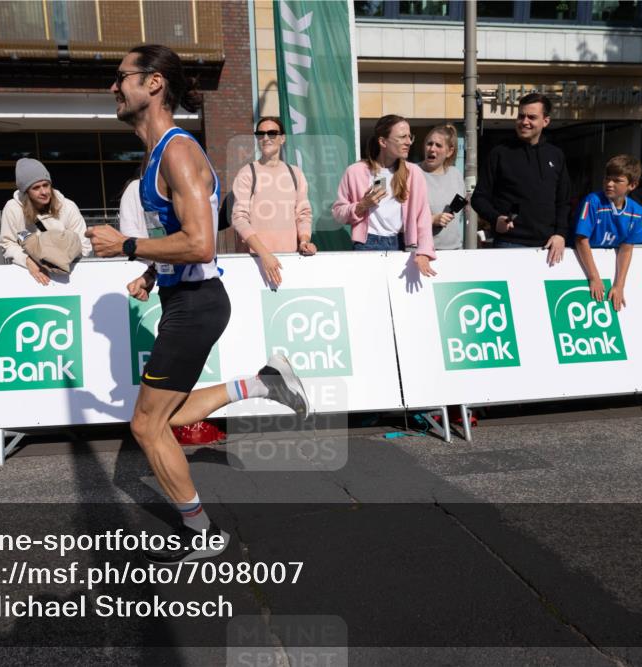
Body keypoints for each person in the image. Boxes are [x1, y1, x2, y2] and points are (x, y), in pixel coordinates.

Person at [86, 44, 312, 564]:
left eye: (121, 77)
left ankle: (204, 533)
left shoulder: (177, 151)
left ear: (154, 83)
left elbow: (201, 244)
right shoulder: (157, 153)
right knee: (166, 414)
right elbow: (180, 237)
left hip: (197, 304)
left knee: (146, 425)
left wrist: (125, 246)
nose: (113, 88)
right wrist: (149, 270)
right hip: (185, 297)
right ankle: (262, 383)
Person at [471, 92, 571, 266]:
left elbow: (564, 201)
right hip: (509, 244)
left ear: (545, 121)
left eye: (531, 117)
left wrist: (561, 234)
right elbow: (478, 198)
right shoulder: (500, 153)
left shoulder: (556, 155)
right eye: (521, 116)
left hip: (549, 247)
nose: (524, 122)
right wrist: (495, 219)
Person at [332, 114, 436, 276]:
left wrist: (424, 251)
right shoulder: (356, 171)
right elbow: (337, 214)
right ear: (383, 142)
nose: (408, 141)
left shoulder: (413, 173)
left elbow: (423, 215)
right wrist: (362, 205)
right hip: (366, 244)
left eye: (410, 136)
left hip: (402, 244)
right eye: (402, 137)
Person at [230, 116, 316, 286]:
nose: (266, 138)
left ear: (282, 138)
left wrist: (305, 241)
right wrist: (265, 254)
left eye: (272, 133)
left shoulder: (295, 173)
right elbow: (239, 218)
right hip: (255, 262)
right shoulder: (247, 173)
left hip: (289, 260)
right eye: (260, 134)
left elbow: (303, 214)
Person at [0, 158, 91, 285]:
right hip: (31, 276)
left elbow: (84, 245)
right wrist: (27, 260)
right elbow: (7, 243)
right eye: (36, 188)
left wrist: (58, 259)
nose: (44, 192)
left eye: (46, 185)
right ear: (26, 192)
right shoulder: (13, 209)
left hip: (69, 274)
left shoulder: (68, 206)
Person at [573, 155, 642, 312]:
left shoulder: (637, 211)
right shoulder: (593, 201)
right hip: (581, 266)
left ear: (632, 185)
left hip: (607, 269)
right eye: (607, 178)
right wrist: (594, 277)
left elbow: (626, 249)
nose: (609, 184)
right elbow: (581, 240)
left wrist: (619, 285)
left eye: (617, 180)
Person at [420, 125, 466, 251]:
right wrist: (431, 220)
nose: (432, 149)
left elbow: (460, 205)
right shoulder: (412, 173)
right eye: (429, 143)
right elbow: (402, 218)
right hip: (423, 252)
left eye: (438, 145)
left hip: (455, 250)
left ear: (449, 151)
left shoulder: (455, 174)